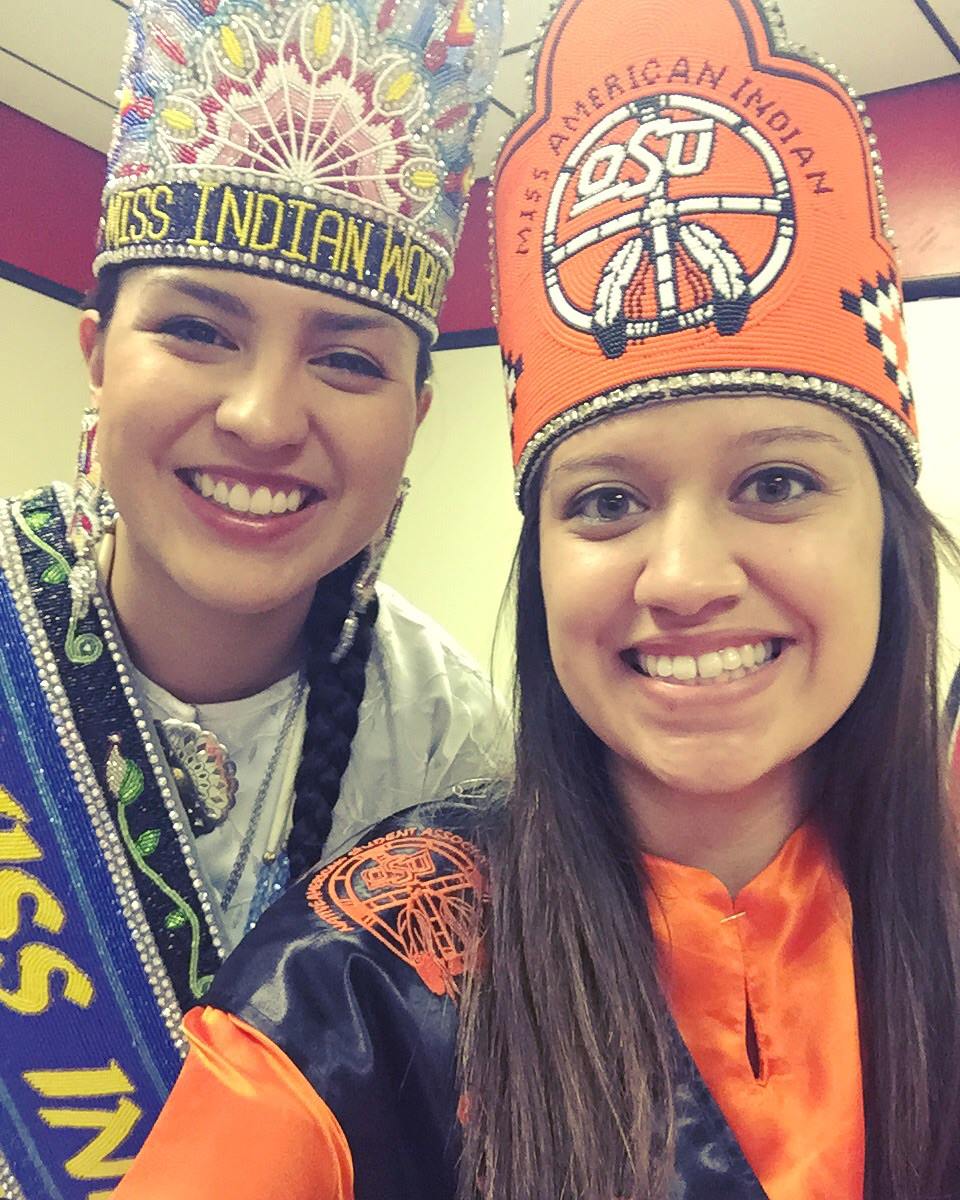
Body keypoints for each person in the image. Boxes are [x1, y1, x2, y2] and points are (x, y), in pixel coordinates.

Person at [114, 0, 960, 1197]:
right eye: (608, 502)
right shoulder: (352, 990)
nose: (684, 578)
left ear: (889, 534)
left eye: (776, 482)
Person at [0, 1, 506, 1195]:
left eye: (347, 359)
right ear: (97, 356)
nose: (266, 419)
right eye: (196, 328)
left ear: (415, 418)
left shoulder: (454, 742)